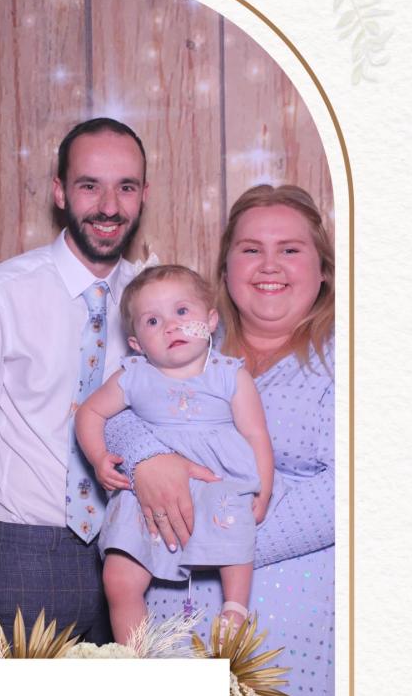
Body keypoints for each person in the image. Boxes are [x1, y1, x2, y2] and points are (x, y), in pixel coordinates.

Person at [0, 117, 215, 640]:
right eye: (89, 186)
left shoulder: (161, 305)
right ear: (60, 191)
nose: (109, 206)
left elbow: (195, 413)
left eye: (125, 187)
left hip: (142, 550)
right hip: (31, 559)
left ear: (144, 195)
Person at [107, 184, 335, 696]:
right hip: (169, 616)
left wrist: (204, 533)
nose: (269, 265)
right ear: (226, 270)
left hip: (287, 626)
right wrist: (149, 459)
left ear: (322, 269)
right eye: (251, 249)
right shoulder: (184, 343)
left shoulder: (350, 358)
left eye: (290, 249)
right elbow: (112, 412)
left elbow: (353, 493)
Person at [75, 264, 274, 644]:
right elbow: (90, 413)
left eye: (182, 312)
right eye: (153, 321)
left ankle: (234, 609)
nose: (171, 326)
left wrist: (264, 488)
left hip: (218, 479)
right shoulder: (134, 375)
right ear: (136, 343)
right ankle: (135, 654)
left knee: (237, 533)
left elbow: (256, 434)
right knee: (118, 577)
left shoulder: (230, 374)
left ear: (210, 321)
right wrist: (99, 457)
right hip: (147, 494)